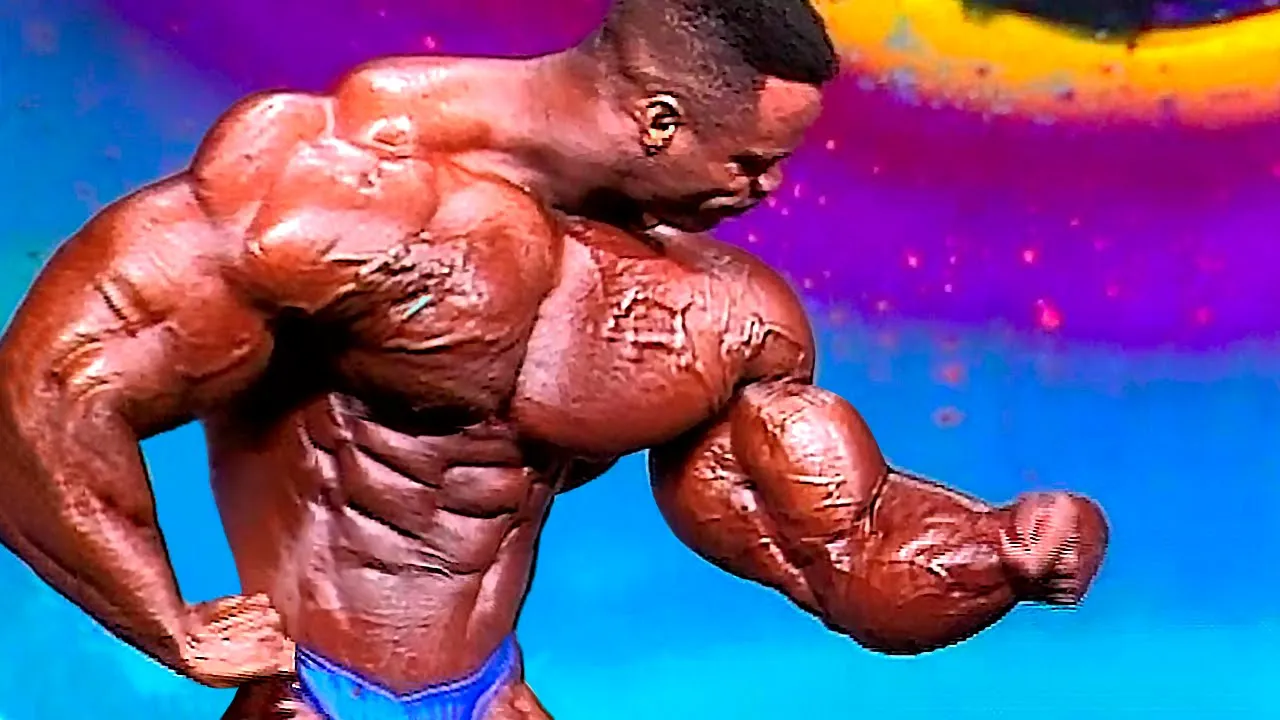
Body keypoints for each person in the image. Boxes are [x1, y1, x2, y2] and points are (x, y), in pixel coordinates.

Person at [0, 0, 1108, 718]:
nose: (768, 194)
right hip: (311, 694)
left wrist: (1003, 555)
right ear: (660, 120)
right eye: (751, 165)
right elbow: (52, 390)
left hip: (491, 693)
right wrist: (168, 625)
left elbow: (835, 547)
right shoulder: (335, 187)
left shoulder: (718, 307)